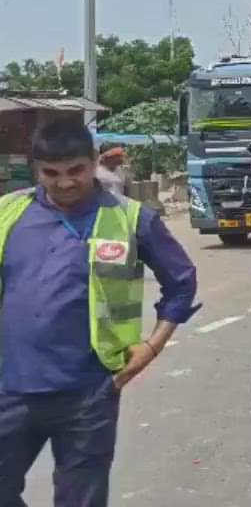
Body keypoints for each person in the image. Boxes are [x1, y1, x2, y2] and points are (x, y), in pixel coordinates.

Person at [0, 119, 200, 507]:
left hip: (88, 392)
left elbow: (181, 282)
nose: (64, 183)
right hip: (10, 387)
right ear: (35, 168)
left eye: (75, 170)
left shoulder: (131, 218)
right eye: (51, 173)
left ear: (93, 161)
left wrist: (152, 347)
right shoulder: (8, 214)